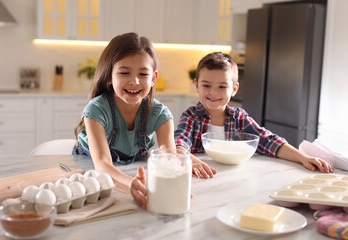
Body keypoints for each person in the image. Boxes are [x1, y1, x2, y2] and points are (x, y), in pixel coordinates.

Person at [73, 32, 208, 209]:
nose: (134, 81)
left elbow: (168, 155)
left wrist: (174, 185)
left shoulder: (161, 115)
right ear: (109, 76)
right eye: (124, 72)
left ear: (153, 78)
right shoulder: (96, 110)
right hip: (89, 167)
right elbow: (103, 164)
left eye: (143, 74)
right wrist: (132, 185)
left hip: (130, 166)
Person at [174, 52, 334, 177]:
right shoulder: (191, 117)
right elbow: (178, 145)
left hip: (234, 179)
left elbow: (268, 140)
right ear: (197, 85)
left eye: (222, 86)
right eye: (206, 85)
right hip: (202, 180)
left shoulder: (239, 117)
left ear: (234, 89)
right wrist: (191, 161)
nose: (213, 92)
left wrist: (303, 158)